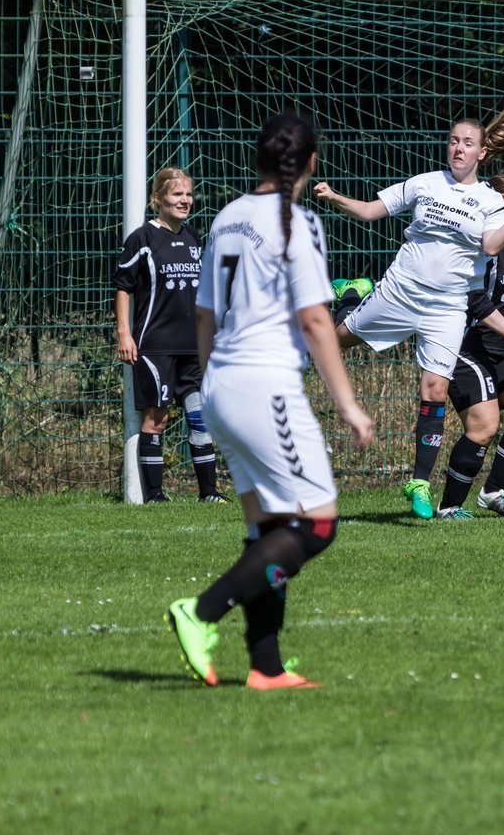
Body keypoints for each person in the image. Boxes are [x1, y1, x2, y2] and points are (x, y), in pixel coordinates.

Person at [164, 113, 374, 690]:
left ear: (258, 160)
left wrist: (212, 384)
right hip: (264, 385)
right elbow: (314, 318)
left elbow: (206, 313)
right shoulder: (296, 223)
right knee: (318, 526)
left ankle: (266, 666)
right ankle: (201, 611)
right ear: (311, 163)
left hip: (220, 384)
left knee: (269, 527)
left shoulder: (227, 218)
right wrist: (350, 405)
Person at [313, 102, 504, 519]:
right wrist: (333, 197)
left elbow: (492, 246)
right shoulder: (425, 183)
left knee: (435, 390)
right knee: (332, 344)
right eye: (454, 140)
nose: (458, 148)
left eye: (467, 143)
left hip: (447, 308)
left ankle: (419, 483)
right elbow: (370, 210)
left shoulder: (491, 201)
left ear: (482, 154)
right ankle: (352, 293)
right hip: (401, 291)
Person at [436, 173, 504, 520]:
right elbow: (472, 297)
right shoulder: (483, 242)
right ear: (501, 201)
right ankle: (449, 506)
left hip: (499, 345)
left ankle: (494, 492)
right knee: (484, 426)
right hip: (466, 344)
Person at [114, 167, 225, 504]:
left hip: (192, 346)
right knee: (157, 418)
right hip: (155, 345)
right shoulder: (142, 239)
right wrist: (124, 333)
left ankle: (209, 493)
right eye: (177, 195)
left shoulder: (192, 237)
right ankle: (155, 496)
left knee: (200, 417)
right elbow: (123, 288)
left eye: (188, 195)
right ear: (158, 198)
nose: (185, 201)